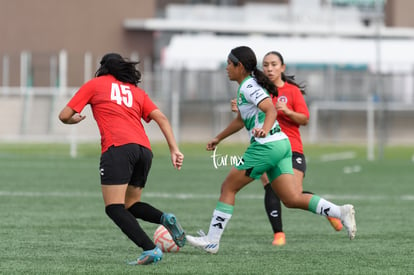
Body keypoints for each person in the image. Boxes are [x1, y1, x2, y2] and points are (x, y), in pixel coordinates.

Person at [186, 46, 356, 254]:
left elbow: (271, 109)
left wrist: (265, 130)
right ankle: (341, 211)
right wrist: (218, 138)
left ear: (239, 66)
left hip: (266, 147)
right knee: (291, 198)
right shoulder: (246, 86)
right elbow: (241, 120)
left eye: (229, 63)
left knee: (228, 188)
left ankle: (212, 241)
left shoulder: (248, 86)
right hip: (281, 145)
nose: (226, 67)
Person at [58, 53, 186, 265]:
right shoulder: (135, 91)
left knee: (114, 208)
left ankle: (150, 249)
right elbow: (161, 118)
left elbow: (63, 115)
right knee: (131, 204)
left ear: (103, 68)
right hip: (144, 150)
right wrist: (174, 149)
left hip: (117, 148)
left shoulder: (94, 85)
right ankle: (164, 219)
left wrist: (73, 120)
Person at [230, 51, 343, 246]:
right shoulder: (257, 88)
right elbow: (249, 115)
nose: (269, 68)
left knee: (292, 195)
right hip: (266, 147)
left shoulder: (291, 91)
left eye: (274, 64)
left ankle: (328, 210)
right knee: (270, 187)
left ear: (282, 67)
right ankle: (279, 234)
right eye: (265, 65)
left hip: (292, 149)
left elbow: (305, 119)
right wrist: (240, 108)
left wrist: (288, 112)